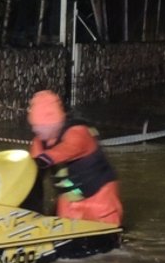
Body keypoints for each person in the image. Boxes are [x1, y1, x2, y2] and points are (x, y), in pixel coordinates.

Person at [27, 89, 123, 227]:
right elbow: (32, 172)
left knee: (107, 234)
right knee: (60, 228)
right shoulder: (39, 142)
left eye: (39, 126)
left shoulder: (78, 132)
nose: (35, 130)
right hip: (70, 200)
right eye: (33, 126)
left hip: (99, 197)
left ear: (53, 123)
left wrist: (45, 159)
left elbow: (71, 148)